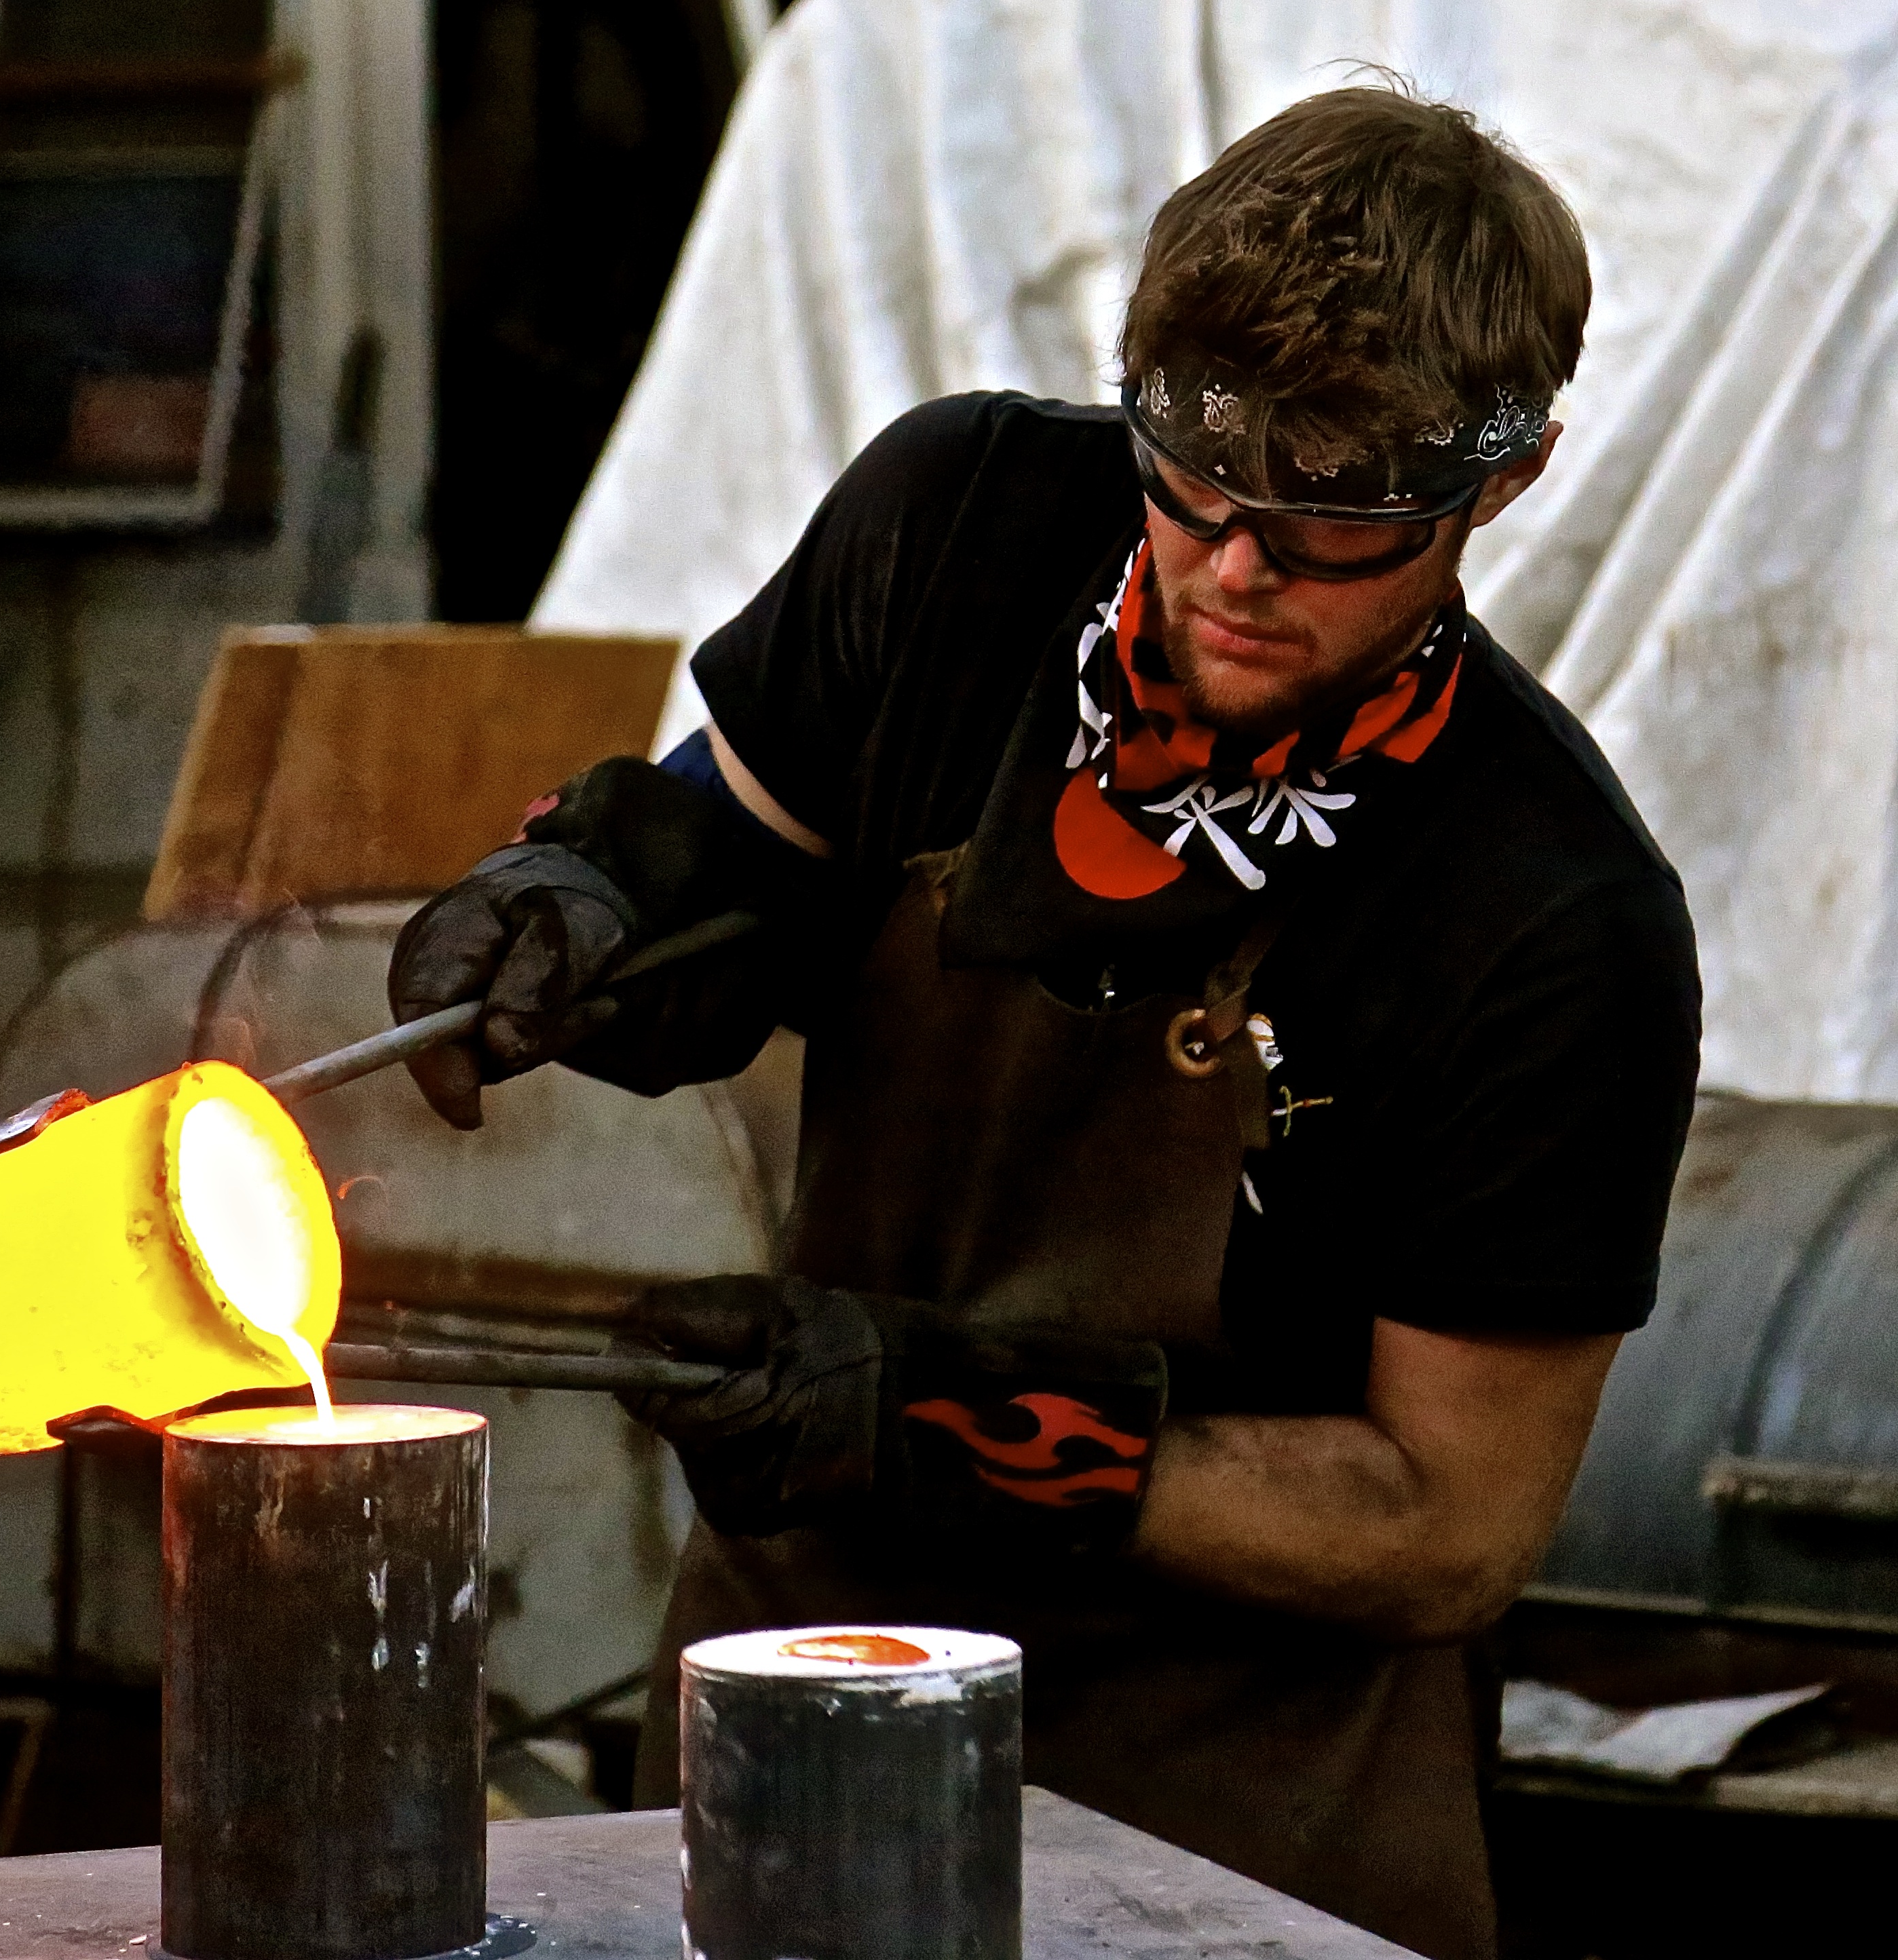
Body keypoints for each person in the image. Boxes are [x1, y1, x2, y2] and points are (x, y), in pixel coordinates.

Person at [388, 84, 1699, 1960]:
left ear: (1504, 477)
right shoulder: (962, 531)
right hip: (785, 1734)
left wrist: (934, 1421)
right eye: (1201, 478)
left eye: (1335, 519)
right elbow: (740, 858)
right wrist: (589, 902)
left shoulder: (1545, 912)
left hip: (1231, 1844)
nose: (1240, 563)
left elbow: (1443, 1521)